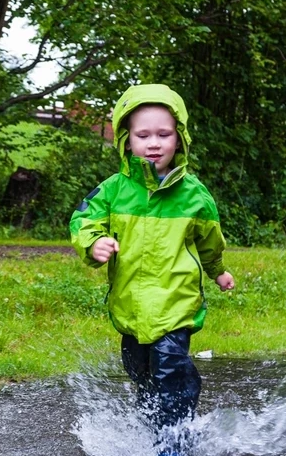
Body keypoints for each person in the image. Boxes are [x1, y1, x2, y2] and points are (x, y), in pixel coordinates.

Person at [70, 84, 235, 433]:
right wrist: (94, 242)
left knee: (170, 366)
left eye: (164, 134)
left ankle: (175, 437)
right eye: (143, 135)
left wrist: (217, 271)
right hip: (130, 306)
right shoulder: (114, 189)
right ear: (127, 140)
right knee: (140, 372)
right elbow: (84, 219)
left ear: (180, 139)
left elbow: (209, 240)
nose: (154, 143)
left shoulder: (194, 195)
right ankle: (155, 425)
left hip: (176, 303)